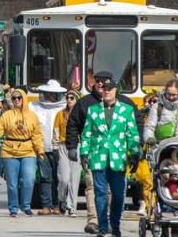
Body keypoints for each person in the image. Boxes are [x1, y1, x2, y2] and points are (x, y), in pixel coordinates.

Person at [66, 71, 137, 234]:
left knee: (119, 194)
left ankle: (115, 225)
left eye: (109, 88)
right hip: (97, 157)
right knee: (99, 192)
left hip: (118, 159)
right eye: (103, 88)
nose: (106, 91)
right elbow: (86, 133)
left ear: (115, 90)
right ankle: (102, 226)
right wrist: (82, 152)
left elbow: (132, 132)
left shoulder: (126, 109)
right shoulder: (91, 108)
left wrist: (134, 153)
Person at [0, 88, 45, 218]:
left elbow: (37, 135)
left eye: (19, 98)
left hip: (28, 150)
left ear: (24, 99)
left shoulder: (32, 116)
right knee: (12, 183)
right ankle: (13, 208)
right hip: (9, 151)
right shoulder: (7, 115)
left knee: (29, 179)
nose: (17, 100)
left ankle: (26, 206)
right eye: (14, 98)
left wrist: (40, 150)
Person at [30, 79, 68, 215]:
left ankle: (58, 204)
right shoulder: (33, 107)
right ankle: (46, 205)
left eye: (53, 94)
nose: (50, 96)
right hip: (42, 148)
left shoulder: (64, 108)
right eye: (48, 93)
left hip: (60, 148)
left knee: (60, 177)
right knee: (45, 177)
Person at [54, 90, 82, 216]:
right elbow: (56, 131)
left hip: (77, 146)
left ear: (77, 100)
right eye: (67, 97)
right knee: (64, 179)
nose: (69, 100)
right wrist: (55, 146)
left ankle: (72, 207)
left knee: (74, 179)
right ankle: (61, 199)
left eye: (72, 98)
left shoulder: (82, 114)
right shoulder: (60, 114)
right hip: (63, 146)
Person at [143, 80, 178, 145]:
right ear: (165, 92)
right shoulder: (157, 107)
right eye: (169, 94)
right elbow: (149, 127)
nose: (171, 97)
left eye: (174, 95)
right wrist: (149, 138)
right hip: (160, 146)